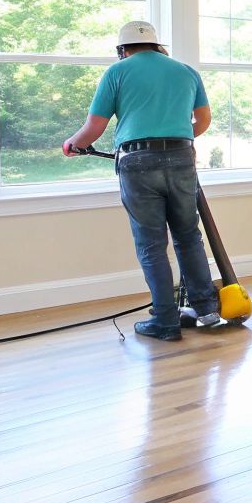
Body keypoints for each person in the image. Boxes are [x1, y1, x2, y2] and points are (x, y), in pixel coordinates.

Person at [62, 21, 221, 341]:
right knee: (188, 236)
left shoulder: (117, 73)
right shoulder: (186, 72)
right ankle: (206, 309)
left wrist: (72, 144)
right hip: (181, 158)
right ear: (156, 45)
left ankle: (165, 321)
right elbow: (202, 121)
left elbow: (94, 127)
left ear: (123, 50)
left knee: (151, 244)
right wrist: (176, 138)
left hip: (137, 162)